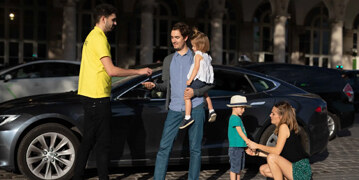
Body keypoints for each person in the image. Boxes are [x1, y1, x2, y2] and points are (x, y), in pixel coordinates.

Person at [73, 3, 152, 180]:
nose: (115, 23)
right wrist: (138, 72)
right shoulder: (99, 38)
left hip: (90, 95)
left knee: (89, 141)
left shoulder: (91, 36)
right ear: (103, 19)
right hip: (97, 97)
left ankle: (78, 176)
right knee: (102, 143)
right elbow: (112, 71)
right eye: (113, 20)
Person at [142, 22, 213, 180]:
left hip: (195, 108)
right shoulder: (168, 60)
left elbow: (209, 83)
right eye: (172, 37)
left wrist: (196, 91)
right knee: (164, 147)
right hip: (174, 109)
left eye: (177, 37)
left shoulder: (197, 56)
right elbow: (166, 85)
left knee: (195, 150)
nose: (173, 41)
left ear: (185, 38)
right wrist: (154, 86)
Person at [246, 101, 312, 180]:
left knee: (271, 158)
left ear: (281, 117)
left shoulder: (283, 127)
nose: (270, 115)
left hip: (301, 170)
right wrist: (257, 153)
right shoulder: (283, 127)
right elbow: (279, 155)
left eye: (273, 114)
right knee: (263, 169)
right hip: (293, 166)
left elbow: (276, 152)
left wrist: (256, 145)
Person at [179, 27, 216, 129]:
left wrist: (190, 79)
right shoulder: (207, 56)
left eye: (194, 46)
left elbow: (196, 69)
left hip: (199, 79)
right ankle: (211, 110)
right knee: (205, 93)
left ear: (199, 46)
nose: (192, 48)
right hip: (207, 81)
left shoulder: (197, 55)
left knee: (186, 95)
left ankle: (187, 117)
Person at [226, 95, 252, 180]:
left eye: (244, 108)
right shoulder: (234, 118)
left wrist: (245, 146)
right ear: (234, 107)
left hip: (239, 147)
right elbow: (240, 132)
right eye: (241, 108)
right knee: (234, 168)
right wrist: (247, 140)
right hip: (235, 148)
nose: (243, 110)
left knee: (239, 168)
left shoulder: (237, 118)